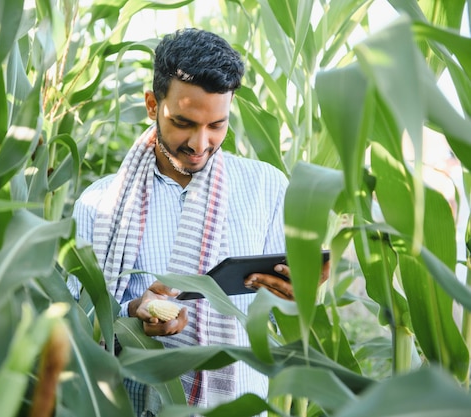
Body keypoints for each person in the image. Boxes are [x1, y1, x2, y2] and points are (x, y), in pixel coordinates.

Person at [71, 28, 314, 416]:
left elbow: (277, 312)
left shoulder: (267, 187)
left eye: (217, 125)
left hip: (238, 405)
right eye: (184, 122)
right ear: (153, 105)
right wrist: (133, 312)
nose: (200, 144)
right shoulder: (98, 204)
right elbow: (77, 319)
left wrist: (300, 289)